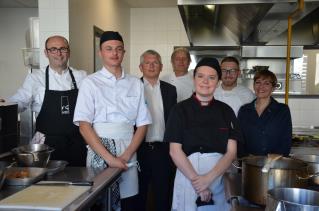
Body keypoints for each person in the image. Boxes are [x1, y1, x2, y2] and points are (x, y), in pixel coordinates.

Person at [73, 31, 152, 211]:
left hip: (128, 149)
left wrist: (125, 155)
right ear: (100, 53)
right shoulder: (90, 83)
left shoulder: (135, 83)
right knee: (99, 200)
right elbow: (84, 127)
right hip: (99, 148)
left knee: (128, 201)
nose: (114, 53)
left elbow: (143, 124)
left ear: (124, 53)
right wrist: (109, 158)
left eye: (118, 49)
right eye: (109, 49)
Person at [164, 57, 241, 211]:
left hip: (217, 178)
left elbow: (231, 152)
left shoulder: (226, 111)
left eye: (211, 77)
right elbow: (174, 151)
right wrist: (198, 182)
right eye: (200, 76)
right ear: (194, 79)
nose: (205, 81)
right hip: (188, 177)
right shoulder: (179, 110)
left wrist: (208, 179)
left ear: (218, 82)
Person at [2, 35, 87, 166]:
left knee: (79, 182)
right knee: (46, 183)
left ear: (68, 51)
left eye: (62, 49)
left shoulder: (81, 76)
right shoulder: (35, 78)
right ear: (46, 53)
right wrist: (4, 105)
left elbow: (91, 106)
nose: (58, 53)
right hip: (45, 146)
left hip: (76, 142)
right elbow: (20, 101)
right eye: (53, 49)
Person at [137, 50, 177, 211]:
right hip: (139, 149)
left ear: (161, 67)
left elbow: (174, 122)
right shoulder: (133, 87)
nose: (152, 66)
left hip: (163, 150)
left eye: (155, 63)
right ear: (141, 67)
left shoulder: (170, 90)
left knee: (163, 194)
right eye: (148, 62)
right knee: (138, 194)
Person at [238, 70, 292, 156]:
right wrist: (245, 157)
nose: (261, 87)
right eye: (258, 82)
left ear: (273, 88)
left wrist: (273, 160)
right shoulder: (244, 110)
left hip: (274, 165)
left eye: (266, 83)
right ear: (254, 85)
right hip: (248, 163)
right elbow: (239, 139)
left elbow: (286, 140)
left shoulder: (282, 110)